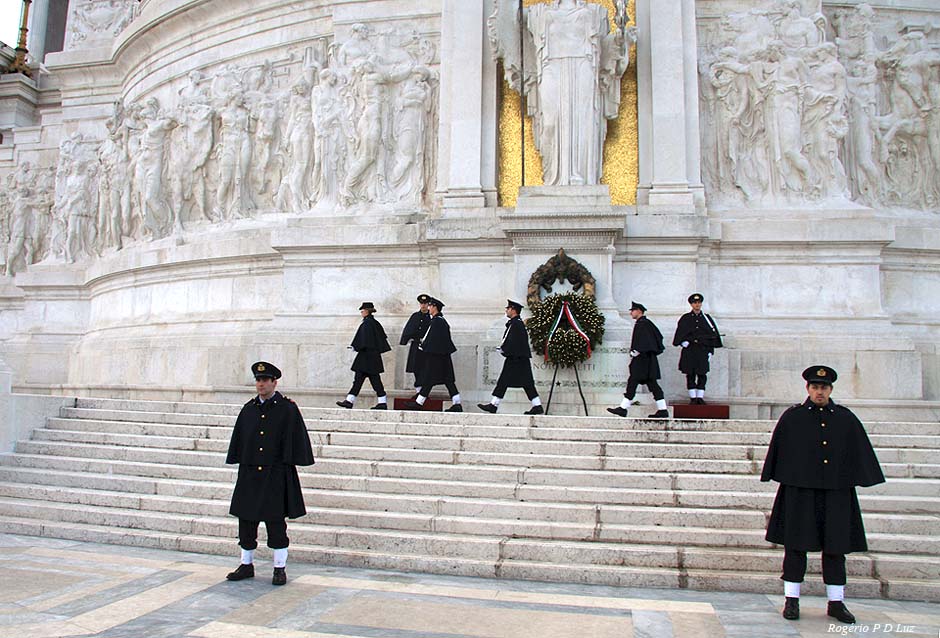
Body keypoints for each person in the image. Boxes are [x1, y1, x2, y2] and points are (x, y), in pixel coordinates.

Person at [761, 366, 885, 624]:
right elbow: (779, 449)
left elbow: (858, 450)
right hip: (800, 492)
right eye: (815, 387)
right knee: (795, 546)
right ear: (808, 388)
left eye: (824, 387)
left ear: (831, 389)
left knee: (836, 547)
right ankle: (791, 600)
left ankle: (836, 602)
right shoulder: (793, 417)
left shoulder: (845, 418)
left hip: (836, 493)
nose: (819, 392)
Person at [225, 362, 315, 586]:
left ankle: (279, 567)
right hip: (250, 475)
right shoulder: (248, 409)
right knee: (246, 521)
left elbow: (296, 438)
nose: (261, 384)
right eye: (258, 380)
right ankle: (246, 564)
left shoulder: (287, 409)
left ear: (274, 382)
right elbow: (240, 439)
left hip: (275, 475)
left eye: (265, 380)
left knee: (276, 523)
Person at [478, 300, 543, 415]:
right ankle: (494, 404)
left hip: (516, 359)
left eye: (508, 308)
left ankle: (494, 405)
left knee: (519, 383)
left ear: (513, 310)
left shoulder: (516, 324)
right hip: (517, 358)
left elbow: (514, 342)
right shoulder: (515, 323)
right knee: (511, 382)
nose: (506, 310)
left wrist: (505, 349)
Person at [606, 301, 669, 418]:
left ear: (639, 311)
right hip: (644, 360)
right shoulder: (644, 323)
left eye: (633, 310)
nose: (631, 313)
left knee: (636, 382)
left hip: (643, 361)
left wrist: (638, 350)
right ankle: (662, 409)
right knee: (649, 384)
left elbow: (647, 341)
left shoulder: (643, 324)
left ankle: (624, 408)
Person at [404, 298, 463, 412]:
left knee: (431, 379)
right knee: (445, 380)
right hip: (440, 356)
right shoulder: (438, 321)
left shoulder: (437, 322)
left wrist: (424, 348)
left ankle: (419, 402)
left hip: (437, 357)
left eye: (430, 306)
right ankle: (456, 403)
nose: (428, 308)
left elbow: (433, 339)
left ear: (435, 307)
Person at [336, 302, 392, 409]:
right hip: (372, 358)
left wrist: (355, 346)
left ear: (367, 311)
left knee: (363, 381)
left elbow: (364, 340)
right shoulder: (375, 323)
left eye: (362, 310)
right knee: (370, 381)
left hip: (366, 358)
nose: (361, 312)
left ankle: (351, 401)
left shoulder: (367, 323)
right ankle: (352, 401)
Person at [672, 293, 723, 404]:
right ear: (691, 304)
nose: (697, 305)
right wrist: (683, 342)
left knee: (702, 374)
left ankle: (699, 397)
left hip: (702, 350)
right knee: (690, 374)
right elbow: (679, 334)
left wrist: (710, 351)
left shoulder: (706, 318)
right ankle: (693, 397)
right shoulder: (686, 318)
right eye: (695, 303)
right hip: (690, 350)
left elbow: (712, 336)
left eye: (699, 302)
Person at [399, 294, 432, 396]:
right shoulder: (415, 316)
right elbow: (408, 328)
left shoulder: (431, 317)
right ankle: (419, 390)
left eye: (425, 303)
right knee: (416, 368)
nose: (423, 305)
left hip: (427, 346)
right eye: (421, 303)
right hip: (416, 345)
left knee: (426, 368)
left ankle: (423, 391)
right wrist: (404, 340)